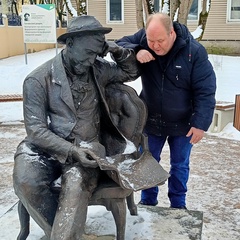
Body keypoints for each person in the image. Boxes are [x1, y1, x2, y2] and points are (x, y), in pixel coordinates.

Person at [13, 15, 142, 240]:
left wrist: (117, 51)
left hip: (88, 147)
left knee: (75, 185)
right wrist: (71, 150)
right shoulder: (37, 80)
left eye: (96, 53)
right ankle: (65, 235)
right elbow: (36, 130)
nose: (92, 60)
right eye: (88, 54)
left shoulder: (97, 69)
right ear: (70, 44)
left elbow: (131, 71)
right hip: (42, 149)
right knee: (26, 181)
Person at [116, 12, 216, 209]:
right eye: (150, 40)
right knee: (147, 162)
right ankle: (148, 202)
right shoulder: (145, 39)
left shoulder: (194, 52)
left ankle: (178, 205)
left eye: (160, 40)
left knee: (179, 166)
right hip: (151, 120)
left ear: (172, 33)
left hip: (184, 123)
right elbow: (119, 44)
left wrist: (200, 124)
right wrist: (136, 49)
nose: (155, 45)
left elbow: (205, 90)